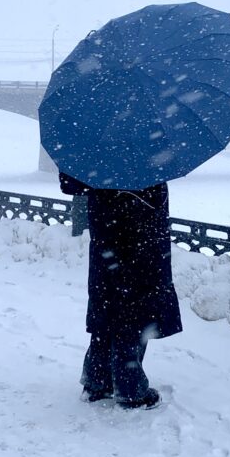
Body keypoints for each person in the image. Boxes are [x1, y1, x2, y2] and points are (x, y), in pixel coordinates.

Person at [59, 172, 182, 409]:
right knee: (134, 316)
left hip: (106, 244)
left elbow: (70, 182)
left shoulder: (96, 160)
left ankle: (97, 383)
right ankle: (130, 391)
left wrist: (104, 183)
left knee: (107, 312)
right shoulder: (143, 165)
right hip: (139, 246)